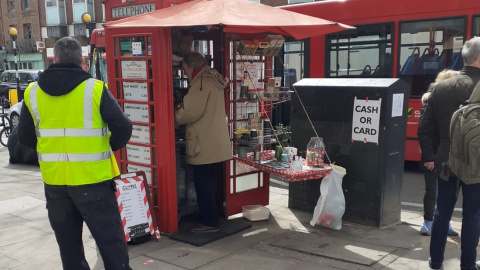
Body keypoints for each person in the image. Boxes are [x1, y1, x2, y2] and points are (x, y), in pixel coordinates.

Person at [17, 37, 133, 270]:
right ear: (81, 60)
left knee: (69, 250)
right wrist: (104, 148)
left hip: (56, 184)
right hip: (94, 181)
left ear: (55, 59)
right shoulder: (95, 89)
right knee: (111, 246)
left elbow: (25, 138)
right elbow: (124, 128)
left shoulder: (32, 92)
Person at [418, 37, 480, 270]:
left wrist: (430, 157)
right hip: (477, 164)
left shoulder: (440, 88)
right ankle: (467, 265)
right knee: (473, 214)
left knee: (442, 212)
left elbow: (424, 128)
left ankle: (435, 261)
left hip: (446, 161)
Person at [175, 52, 232, 233]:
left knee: (202, 183)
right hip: (215, 140)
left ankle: (209, 222)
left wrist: (176, 112)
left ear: (192, 67)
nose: (184, 73)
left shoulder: (200, 83)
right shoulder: (213, 76)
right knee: (209, 180)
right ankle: (212, 216)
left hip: (203, 141)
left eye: (184, 69)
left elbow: (189, 112)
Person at [418, 69, 460, 237]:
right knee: (432, 191)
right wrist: (429, 157)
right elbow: (424, 131)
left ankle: (445, 222)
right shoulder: (432, 102)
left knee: (448, 193)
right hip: (434, 155)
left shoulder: (455, 103)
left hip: (451, 156)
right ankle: (428, 221)